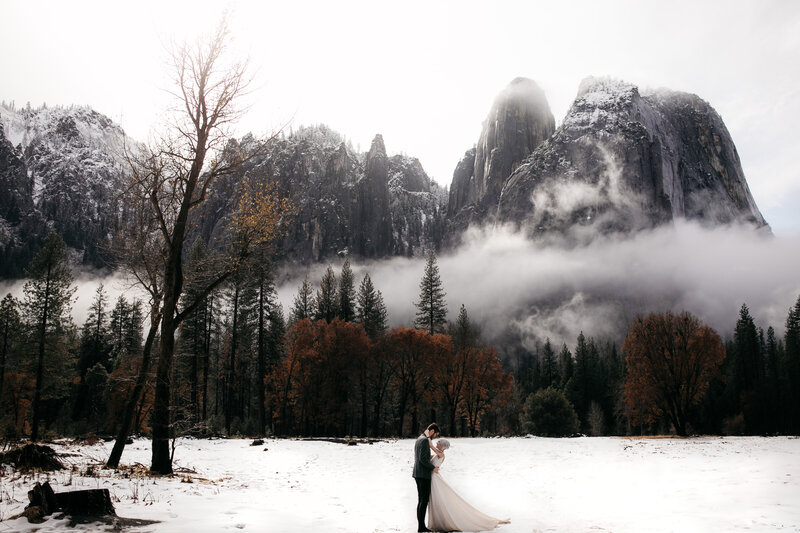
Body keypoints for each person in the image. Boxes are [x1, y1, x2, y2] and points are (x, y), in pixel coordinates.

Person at [427, 438, 510, 532]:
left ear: (441, 445)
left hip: (435, 478)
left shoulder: (441, 454)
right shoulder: (437, 454)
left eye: (438, 442)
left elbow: (432, 448)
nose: (436, 443)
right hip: (433, 477)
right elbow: (430, 456)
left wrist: (428, 441)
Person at [413, 423, 440, 532]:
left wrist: (429, 456)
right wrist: (433, 468)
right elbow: (422, 460)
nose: (435, 437)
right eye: (436, 435)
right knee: (424, 501)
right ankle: (421, 527)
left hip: (417, 473)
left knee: (421, 500)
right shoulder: (424, 440)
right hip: (423, 474)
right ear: (432, 431)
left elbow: (420, 456)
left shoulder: (420, 438)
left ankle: (421, 526)